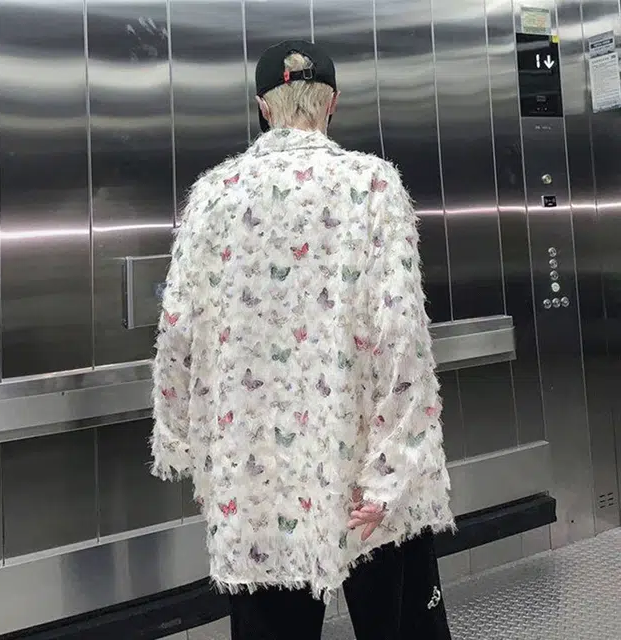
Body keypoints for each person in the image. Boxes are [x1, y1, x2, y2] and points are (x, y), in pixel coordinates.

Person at [150, 39, 455, 639]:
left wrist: (184, 441)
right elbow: (401, 335)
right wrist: (391, 470)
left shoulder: (213, 196)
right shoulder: (372, 186)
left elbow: (177, 329)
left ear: (264, 107)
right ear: (332, 102)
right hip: (365, 465)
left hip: (256, 476)